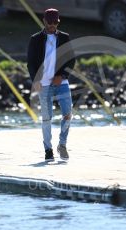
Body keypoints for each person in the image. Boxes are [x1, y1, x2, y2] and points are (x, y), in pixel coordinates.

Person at [27, 8, 75, 161]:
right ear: (44, 21)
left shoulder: (65, 38)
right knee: (46, 118)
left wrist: (62, 76)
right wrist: (36, 81)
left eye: (55, 22)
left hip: (62, 82)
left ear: (58, 22)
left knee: (67, 115)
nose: (52, 25)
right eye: (50, 22)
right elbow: (31, 63)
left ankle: (62, 144)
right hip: (44, 84)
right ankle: (48, 149)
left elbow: (71, 60)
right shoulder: (35, 39)